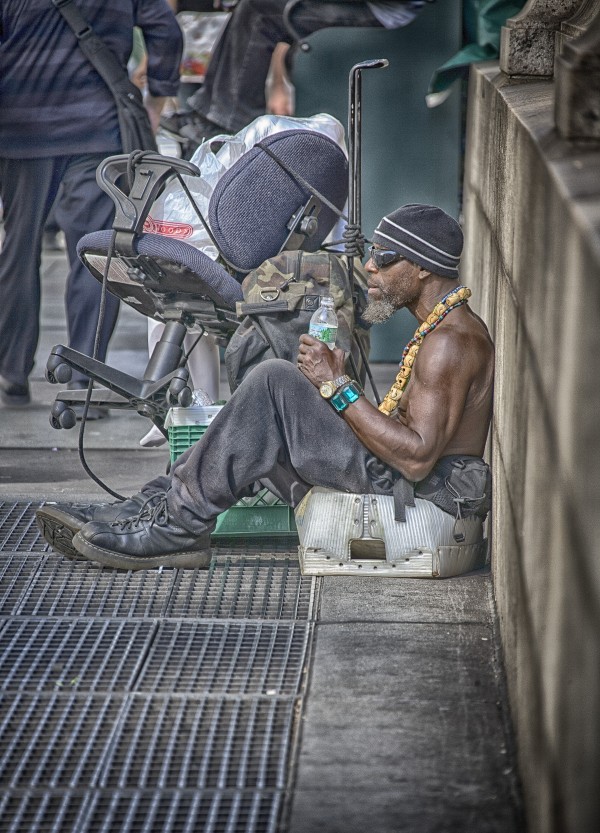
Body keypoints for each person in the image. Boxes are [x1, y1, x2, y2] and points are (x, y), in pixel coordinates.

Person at [36, 203, 494, 571]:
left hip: (412, 488)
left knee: (275, 381)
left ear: (422, 269)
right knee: (280, 388)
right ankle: (157, 506)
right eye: (372, 252)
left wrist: (339, 387)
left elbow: (415, 460)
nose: (370, 266)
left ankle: (176, 524)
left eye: (385, 257)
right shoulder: (441, 330)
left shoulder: (450, 344)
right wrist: (336, 385)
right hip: (393, 472)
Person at [0, 0, 182, 414]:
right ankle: (84, 380)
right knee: (96, 256)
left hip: (20, 130)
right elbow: (165, 29)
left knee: (19, 246)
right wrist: (158, 97)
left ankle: (12, 370)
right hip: (97, 129)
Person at [161, 0, 426, 150]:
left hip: (385, 11)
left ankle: (229, 127)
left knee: (259, 13)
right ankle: (214, 117)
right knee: (251, 7)